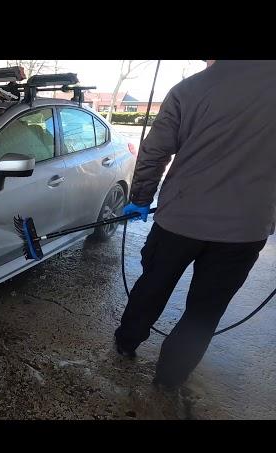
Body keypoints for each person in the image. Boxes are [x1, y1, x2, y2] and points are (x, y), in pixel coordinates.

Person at [114, 60, 276, 389]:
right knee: (206, 309)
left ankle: (127, 342)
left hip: (179, 221)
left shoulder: (189, 90)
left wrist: (142, 197)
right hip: (245, 229)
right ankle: (170, 379)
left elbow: (155, 151)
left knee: (152, 286)